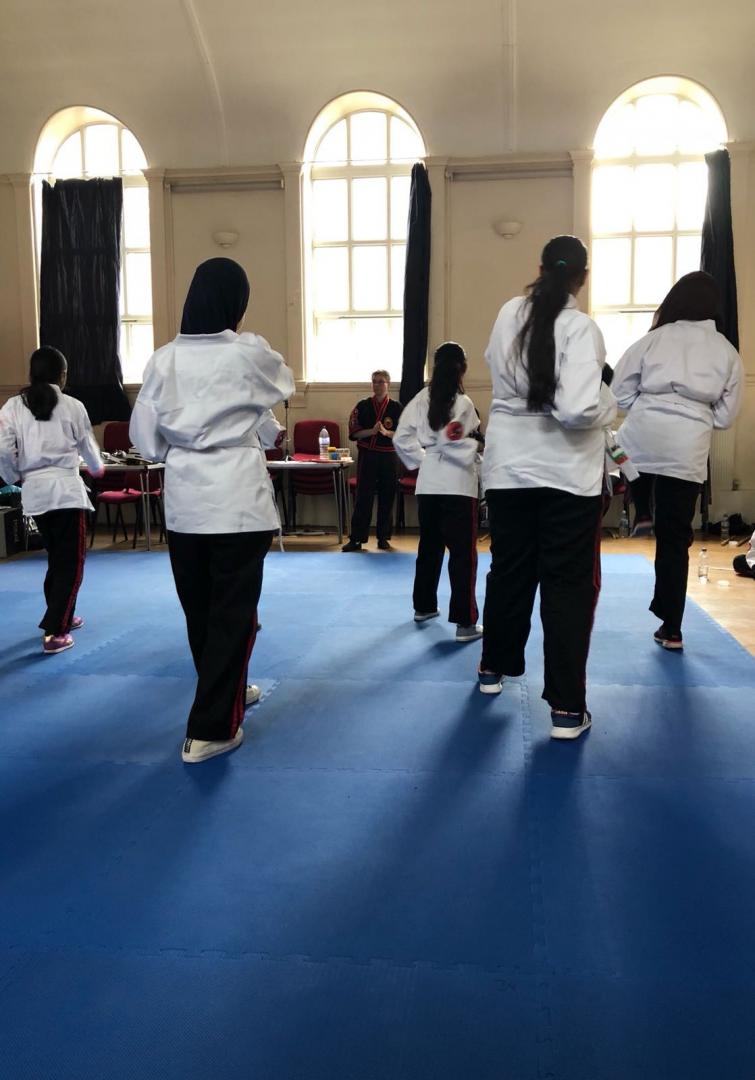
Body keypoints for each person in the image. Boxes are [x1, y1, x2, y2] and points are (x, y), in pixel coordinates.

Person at [129, 258, 294, 763]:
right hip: (238, 501)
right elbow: (282, 385)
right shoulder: (248, 353)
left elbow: (145, 440)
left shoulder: (162, 360)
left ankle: (227, 690)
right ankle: (212, 728)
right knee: (233, 613)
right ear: (236, 303)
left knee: (200, 609)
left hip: (184, 500)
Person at [479, 235, 617, 740]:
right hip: (565, 475)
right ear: (582, 276)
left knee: (510, 571)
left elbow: (500, 370)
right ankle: (565, 709)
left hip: (511, 467)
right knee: (565, 587)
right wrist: (610, 402)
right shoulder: (581, 328)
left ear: (541, 268)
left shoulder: (508, 313)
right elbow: (579, 409)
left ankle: (492, 668)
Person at [612, 272, 743, 650]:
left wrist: (649, 406)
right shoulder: (726, 351)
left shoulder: (652, 340)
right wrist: (697, 415)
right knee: (675, 541)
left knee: (617, 449)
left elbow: (618, 394)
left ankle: (639, 500)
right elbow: (726, 416)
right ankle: (671, 628)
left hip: (644, 433)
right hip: (688, 446)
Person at [0, 346, 103, 654]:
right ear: (62, 375)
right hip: (67, 492)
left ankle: (64, 615)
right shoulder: (72, 405)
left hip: (35, 493)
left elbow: (4, 451)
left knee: (57, 559)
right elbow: (87, 445)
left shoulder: (12, 407)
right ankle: (55, 632)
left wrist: (12, 476)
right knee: (72, 564)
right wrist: (98, 468)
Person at [394, 342, 483, 642]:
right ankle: (465, 622)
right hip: (457, 484)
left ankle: (424, 606)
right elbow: (461, 441)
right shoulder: (465, 404)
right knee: (462, 555)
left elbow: (400, 438)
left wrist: (424, 459)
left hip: (429, 483)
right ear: (463, 368)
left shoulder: (420, 398)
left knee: (429, 547)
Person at [342, 370, 403, 552]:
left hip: (389, 456)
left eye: (381, 382)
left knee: (387, 496)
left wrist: (387, 433)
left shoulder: (396, 407)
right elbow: (354, 432)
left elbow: (404, 434)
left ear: (388, 384)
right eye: (374, 382)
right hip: (368, 455)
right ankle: (357, 538)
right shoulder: (363, 406)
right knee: (363, 497)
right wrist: (372, 431)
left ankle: (383, 537)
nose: (377, 385)